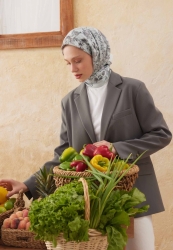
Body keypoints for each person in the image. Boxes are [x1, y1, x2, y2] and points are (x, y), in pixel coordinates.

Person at [0, 27, 172, 250]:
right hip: (93, 203)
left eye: (78, 60)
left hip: (134, 195)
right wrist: (27, 184)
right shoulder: (70, 101)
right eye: (68, 63)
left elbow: (161, 134)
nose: (73, 69)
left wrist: (117, 148)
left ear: (97, 53)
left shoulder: (133, 89)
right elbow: (64, 154)